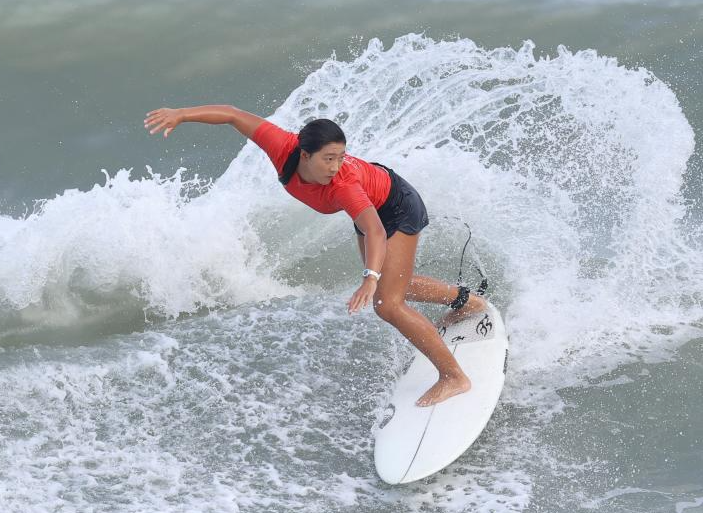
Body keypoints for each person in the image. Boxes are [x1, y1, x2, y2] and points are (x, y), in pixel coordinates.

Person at [144, 104, 486, 406]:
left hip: (396, 208)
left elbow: (376, 231)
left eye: (341, 157)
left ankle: (454, 377)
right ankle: (467, 302)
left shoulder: (344, 184)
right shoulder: (283, 147)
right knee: (394, 284)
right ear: (304, 155)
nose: (336, 166)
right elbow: (233, 115)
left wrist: (370, 278)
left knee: (387, 303)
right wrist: (181, 115)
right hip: (371, 209)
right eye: (328, 158)